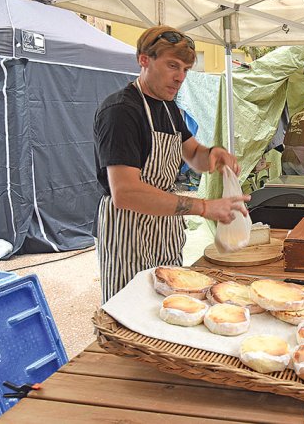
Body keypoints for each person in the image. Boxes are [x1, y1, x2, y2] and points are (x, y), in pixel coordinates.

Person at [94, 26, 249, 303]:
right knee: (132, 309)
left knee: (172, 306)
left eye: (186, 69)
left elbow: (194, 154)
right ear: (144, 59)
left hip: (164, 230)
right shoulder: (121, 112)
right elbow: (126, 193)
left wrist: (214, 155)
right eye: (172, 65)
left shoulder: (169, 108)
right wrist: (204, 207)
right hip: (129, 232)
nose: (180, 77)